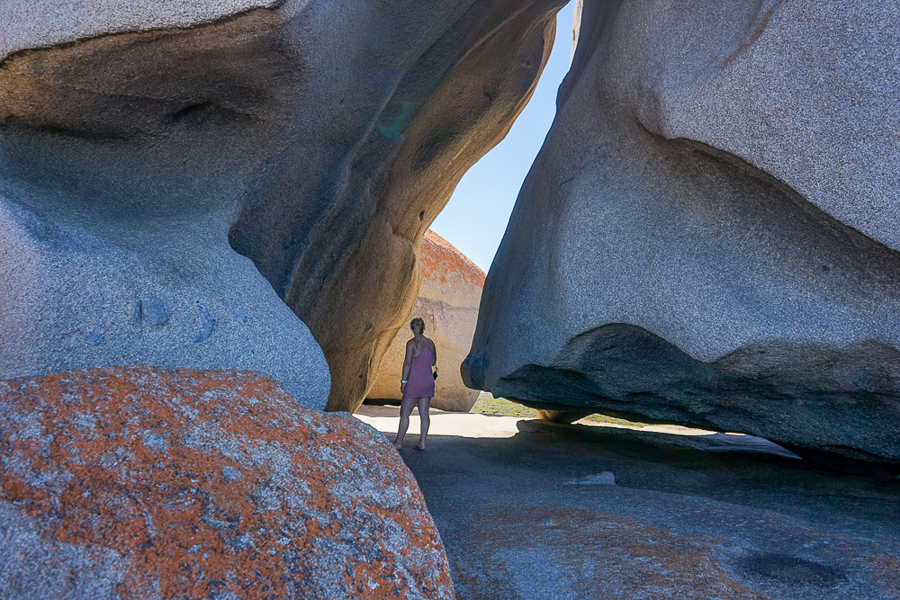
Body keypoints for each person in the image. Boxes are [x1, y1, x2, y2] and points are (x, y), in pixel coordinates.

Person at [393, 317, 437, 451]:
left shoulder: (411, 344)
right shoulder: (430, 343)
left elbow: (407, 363)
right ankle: (422, 443)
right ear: (423, 328)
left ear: (412, 329)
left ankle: (398, 442)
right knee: (424, 414)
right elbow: (433, 362)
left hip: (414, 382)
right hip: (428, 381)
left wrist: (403, 382)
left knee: (405, 413)